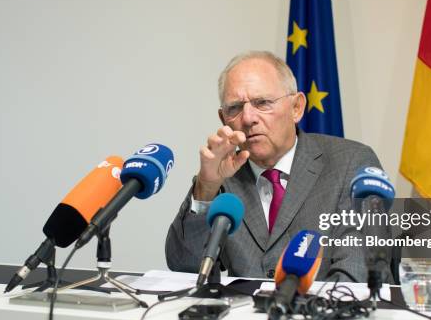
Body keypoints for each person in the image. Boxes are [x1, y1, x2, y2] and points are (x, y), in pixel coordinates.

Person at [165, 50, 385, 282]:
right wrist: (206, 188)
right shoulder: (222, 174)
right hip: (240, 316)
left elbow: (358, 270)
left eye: (263, 103)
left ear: (296, 108)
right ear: (223, 119)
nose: (248, 118)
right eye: (235, 108)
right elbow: (184, 266)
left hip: (322, 315)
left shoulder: (351, 163)